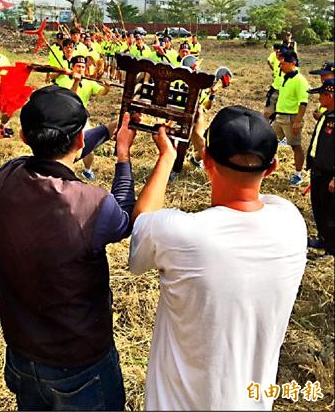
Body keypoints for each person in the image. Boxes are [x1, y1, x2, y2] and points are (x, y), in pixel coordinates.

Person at [129, 105, 307, 411]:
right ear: (273, 167)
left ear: (207, 161)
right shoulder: (291, 222)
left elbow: (142, 222)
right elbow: (247, 196)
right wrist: (204, 146)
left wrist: (167, 157)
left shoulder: (180, 235)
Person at [0, 85, 137, 411]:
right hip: (79, 363)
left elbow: (61, 149)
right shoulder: (91, 203)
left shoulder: (7, 174)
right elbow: (125, 217)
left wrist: (109, 132)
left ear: (24, 136)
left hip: (22, 353)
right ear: (79, 140)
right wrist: (123, 156)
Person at [56, 55, 110, 181]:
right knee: (63, 147)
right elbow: (70, 97)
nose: (80, 69)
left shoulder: (88, 81)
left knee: (88, 145)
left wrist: (107, 87)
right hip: (65, 117)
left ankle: (87, 170)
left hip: (82, 117)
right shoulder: (63, 79)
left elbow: (101, 92)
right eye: (78, 66)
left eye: (83, 67)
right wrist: (76, 81)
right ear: (72, 67)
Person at [306, 78, 334, 256]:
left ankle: (332, 249)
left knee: (331, 214)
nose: (319, 99)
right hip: (318, 171)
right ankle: (324, 239)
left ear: (330, 95)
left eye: (322, 95)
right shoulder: (326, 115)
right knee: (319, 209)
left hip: (330, 175)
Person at [272, 50, 309, 186]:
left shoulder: (300, 81)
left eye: (284, 64)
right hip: (280, 116)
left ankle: (298, 175)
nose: (281, 66)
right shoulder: (285, 77)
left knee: (295, 146)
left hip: (291, 118)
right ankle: (270, 164)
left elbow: (303, 103)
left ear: (293, 64)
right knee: (270, 140)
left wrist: (297, 121)